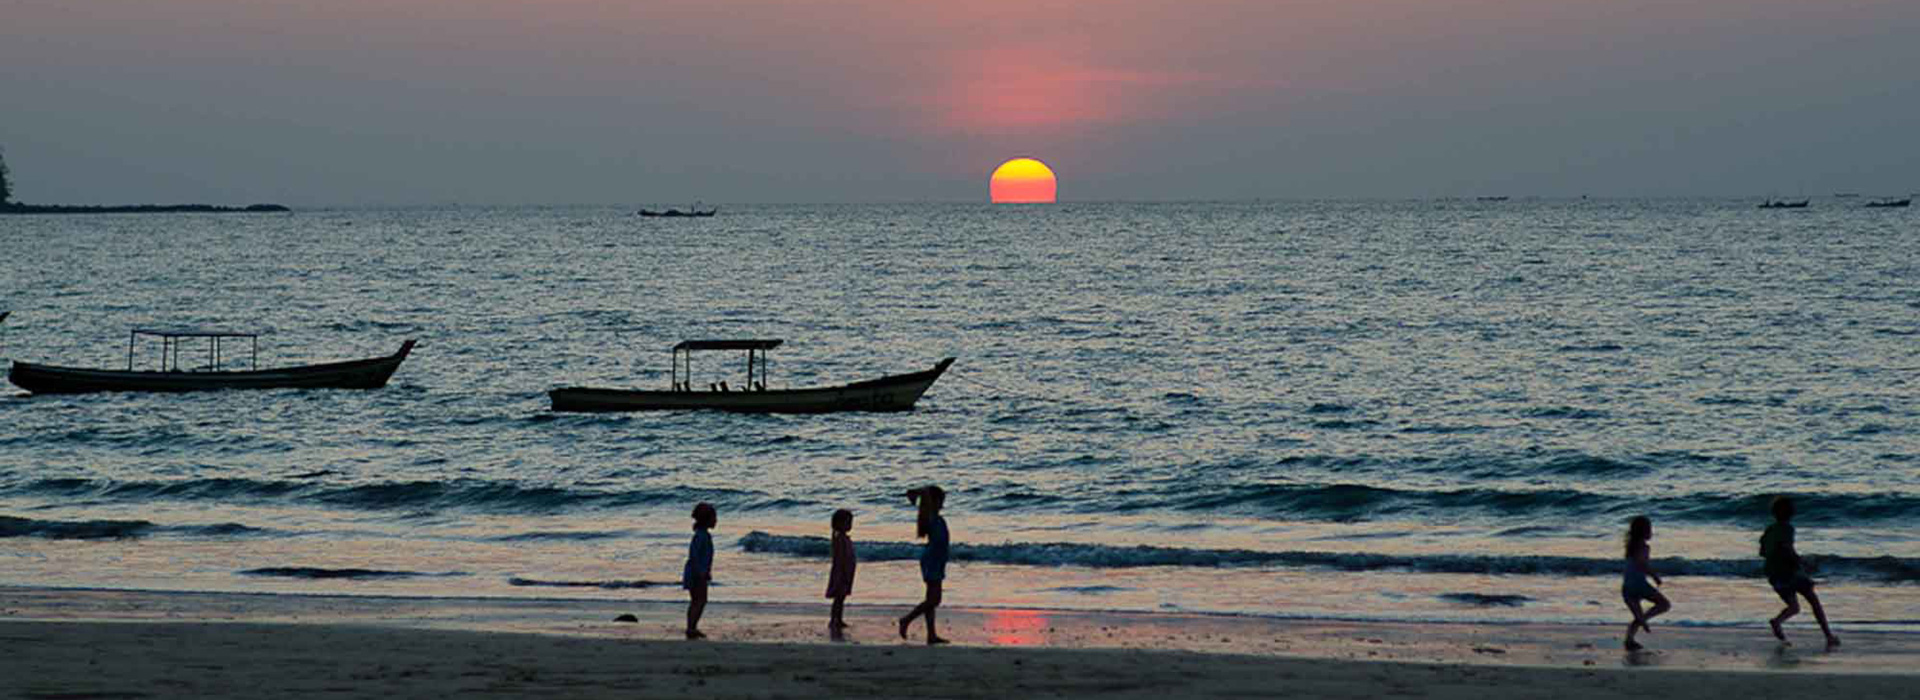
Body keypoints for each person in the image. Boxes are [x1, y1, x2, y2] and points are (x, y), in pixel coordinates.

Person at [1761, 496, 1839, 648]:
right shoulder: (1787, 528)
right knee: (1814, 602)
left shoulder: (1769, 530)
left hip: (1773, 574)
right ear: (1790, 513)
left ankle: (1777, 621)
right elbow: (1787, 549)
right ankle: (1829, 636)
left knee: (1794, 607)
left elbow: (1763, 552)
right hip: (1789, 572)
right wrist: (1801, 562)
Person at [898, 486, 950, 645]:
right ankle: (906, 619)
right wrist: (919, 493)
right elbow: (920, 494)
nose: (942, 504)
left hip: (936, 560)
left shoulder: (933, 517)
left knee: (931, 599)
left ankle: (931, 635)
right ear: (933, 502)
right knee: (934, 599)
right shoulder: (931, 517)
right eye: (940, 501)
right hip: (932, 560)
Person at [1620, 516, 1671, 651]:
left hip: (1626, 587)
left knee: (1637, 615)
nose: (1651, 532)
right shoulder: (1643, 547)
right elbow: (1642, 563)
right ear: (1644, 532)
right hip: (1639, 585)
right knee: (1664, 604)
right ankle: (1644, 619)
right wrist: (1655, 576)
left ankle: (1629, 639)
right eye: (1649, 529)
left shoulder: (1630, 547)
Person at [683, 502, 717, 640]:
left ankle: (692, 627)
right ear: (706, 520)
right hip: (696, 572)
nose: (716, 521)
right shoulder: (701, 536)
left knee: (698, 600)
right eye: (713, 518)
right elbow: (694, 555)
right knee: (699, 600)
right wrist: (701, 572)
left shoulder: (703, 535)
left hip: (698, 571)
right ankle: (691, 628)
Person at [826, 509, 857, 638]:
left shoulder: (843, 538)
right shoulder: (839, 538)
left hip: (846, 571)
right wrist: (842, 572)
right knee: (839, 597)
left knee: (842, 597)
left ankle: (838, 619)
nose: (850, 525)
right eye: (848, 522)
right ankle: (834, 619)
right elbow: (839, 558)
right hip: (841, 571)